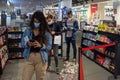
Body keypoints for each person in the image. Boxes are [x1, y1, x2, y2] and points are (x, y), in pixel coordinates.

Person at [21, 11, 52, 80]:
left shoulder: (46, 33)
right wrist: (27, 44)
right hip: (29, 58)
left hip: (41, 58)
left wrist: (41, 46)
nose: (36, 23)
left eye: (38, 22)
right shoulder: (28, 31)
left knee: (40, 78)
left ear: (42, 22)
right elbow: (22, 42)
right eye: (35, 21)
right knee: (25, 77)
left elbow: (49, 46)